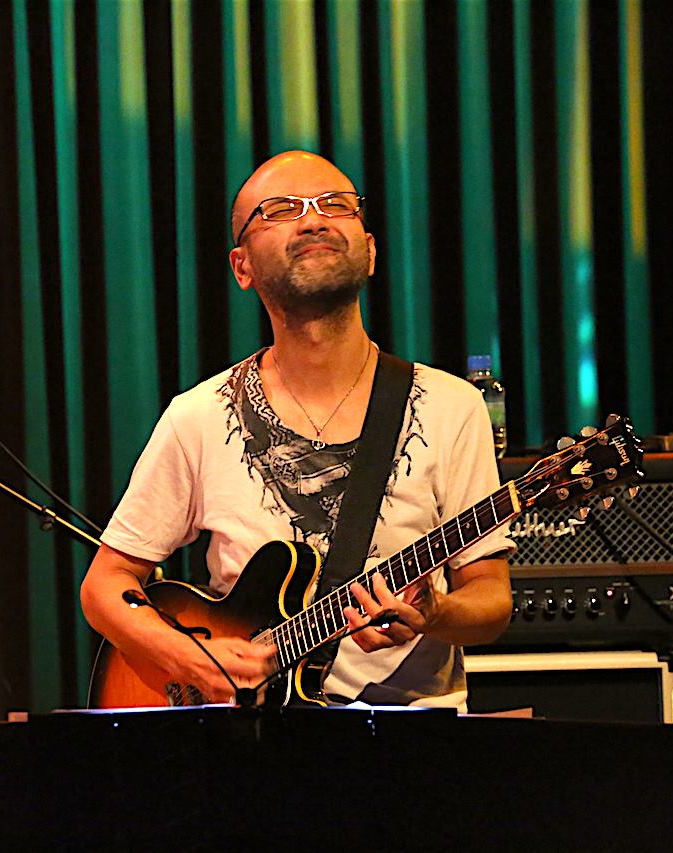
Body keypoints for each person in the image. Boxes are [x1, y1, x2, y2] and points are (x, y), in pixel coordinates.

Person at [80, 150, 513, 708]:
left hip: (410, 741)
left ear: (371, 251)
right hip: (255, 740)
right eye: (281, 210)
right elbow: (105, 585)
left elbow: (491, 597)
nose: (313, 220)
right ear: (241, 267)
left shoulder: (452, 406)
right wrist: (187, 658)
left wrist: (438, 612)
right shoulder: (199, 415)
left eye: (336, 205)